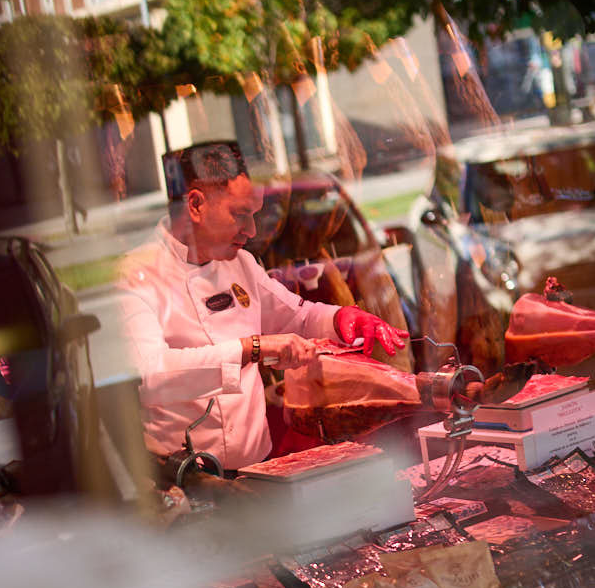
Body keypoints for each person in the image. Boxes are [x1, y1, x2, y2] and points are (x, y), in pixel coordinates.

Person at [115, 141, 409, 471]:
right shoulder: (137, 274)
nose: (252, 231)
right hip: (185, 482)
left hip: (258, 471)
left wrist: (341, 317)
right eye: (240, 215)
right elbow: (151, 376)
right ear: (196, 205)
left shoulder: (240, 263)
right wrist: (251, 348)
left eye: (253, 215)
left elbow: (297, 316)